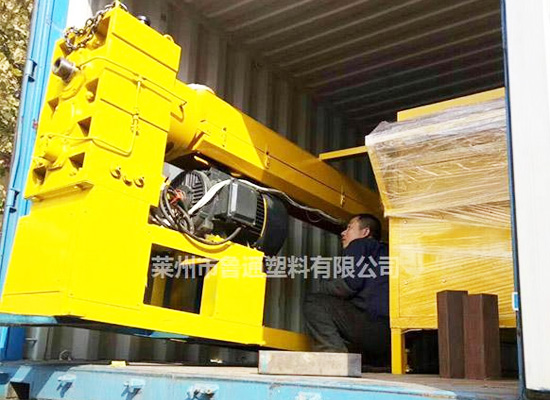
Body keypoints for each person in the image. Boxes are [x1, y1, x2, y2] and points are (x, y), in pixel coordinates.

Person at [304, 213, 390, 367]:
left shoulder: (359, 245)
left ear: (365, 232)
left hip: (370, 328)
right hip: (393, 337)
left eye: (349, 228)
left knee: (314, 302)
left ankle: (335, 361)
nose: (343, 233)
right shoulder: (389, 252)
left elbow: (350, 285)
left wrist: (323, 286)